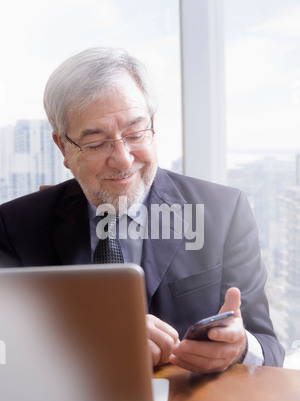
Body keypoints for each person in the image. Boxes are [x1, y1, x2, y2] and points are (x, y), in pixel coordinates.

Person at [0, 47, 284, 372]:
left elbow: (270, 348)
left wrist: (241, 348)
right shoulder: (14, 226)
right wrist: (89, 342)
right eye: (95, 143)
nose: (123, 159)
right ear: (62, 146)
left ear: (153, 125)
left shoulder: (224, 212)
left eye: (135, 133)